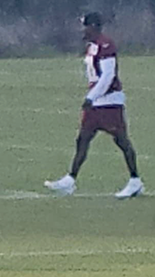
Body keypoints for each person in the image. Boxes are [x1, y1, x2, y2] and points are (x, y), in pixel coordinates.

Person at [45, 12, 143, 199]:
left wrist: (92, 96)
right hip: (97, 101)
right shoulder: (92, 46)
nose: (82, 30)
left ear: (94, 26)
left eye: (85, 26)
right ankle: (70, 179)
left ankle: (135, 180)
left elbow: (108, 76)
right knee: (83, 138)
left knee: (121, 140)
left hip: (109, 101)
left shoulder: (105, 45)